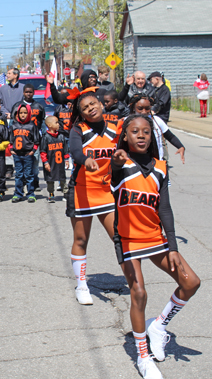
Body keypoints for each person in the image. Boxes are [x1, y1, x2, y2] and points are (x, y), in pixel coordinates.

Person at [111, 114, 200, 379]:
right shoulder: (120, 164)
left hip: (155, 237)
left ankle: (158, 326)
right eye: (135, 131)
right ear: (125, 136)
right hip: (127, 240)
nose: (141, 135)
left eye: (146, 131)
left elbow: (165, 208)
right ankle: (143, 356)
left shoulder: (161, 167)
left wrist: (172, 246)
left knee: (191, 283)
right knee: (139, 294)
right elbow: (113, 169)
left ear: (153, 136)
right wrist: (115, 160)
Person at [64, 88, 121, 305]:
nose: (91, 108)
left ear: (101, 104)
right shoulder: (78, 129)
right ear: (82, 113)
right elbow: (76, 151)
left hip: (106, 191)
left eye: (93, 104)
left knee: (119, 237)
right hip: (82, 190)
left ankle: (133, 278)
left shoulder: (116, 127)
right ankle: (81, 285)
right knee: (81, 239)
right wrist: (84, 160)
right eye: (86, 108)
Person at [128, 94, 185, 163]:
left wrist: (180, 147)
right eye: (140, 108)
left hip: (157, 162)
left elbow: (170, 136)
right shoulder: (127, 122)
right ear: (133, 107)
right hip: (134, 162)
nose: (144, 111)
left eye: (147, 108)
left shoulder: (157, 121)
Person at [11, 84, 45, 190]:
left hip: (33, 137)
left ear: (33, 92)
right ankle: (23, 183)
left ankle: (35, 182)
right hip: (21, 138)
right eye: (27, 92)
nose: (28, 94)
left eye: (30, 92)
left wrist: (43, 135)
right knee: (21, 164)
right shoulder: (17, 106)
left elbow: (42, 122)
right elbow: (12, 123)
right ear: (23, 92)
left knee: (34, 163)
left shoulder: (39, 106)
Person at [9, 104, 40, 203]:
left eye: (25, 113)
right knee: (18, 175)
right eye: (21, 113)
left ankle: (31, 194)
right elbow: (10, 140)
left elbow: (37, 140)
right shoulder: (14, 125)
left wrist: (33, 151)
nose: (23, 115)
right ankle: (18, 193)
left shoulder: (32, 126)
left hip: (28, 155)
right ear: (17, 113)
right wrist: (11, 149)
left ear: (29, 113)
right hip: (17, 155)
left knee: (29, 175)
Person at [41, 116, 69, 203]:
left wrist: (67, 159)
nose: (58, 124)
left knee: (62, 178)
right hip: (50, 163)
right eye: (56, 122)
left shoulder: (61, 136)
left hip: (59, 163)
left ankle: (65, 193)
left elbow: (65, 149)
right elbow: (43, 152)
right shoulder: (45, 137)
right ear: (49, 125)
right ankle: (51, 194)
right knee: (50, 179)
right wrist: (45, 162)